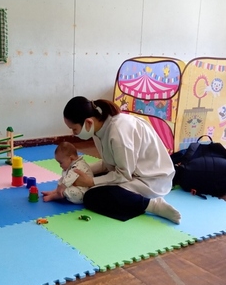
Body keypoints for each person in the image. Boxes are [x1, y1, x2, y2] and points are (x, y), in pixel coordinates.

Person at [61, 96, 181, 224]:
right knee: (88, 182)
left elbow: (124, 175)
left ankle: (152, 205)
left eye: (74, 129)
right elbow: (109, 162)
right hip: (131, 171)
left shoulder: (118, 132)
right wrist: (76, 170)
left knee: (92, 197)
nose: (73, 134)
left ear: (88, 122)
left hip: (151, 179)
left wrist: (90, 181)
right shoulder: (98, 129)